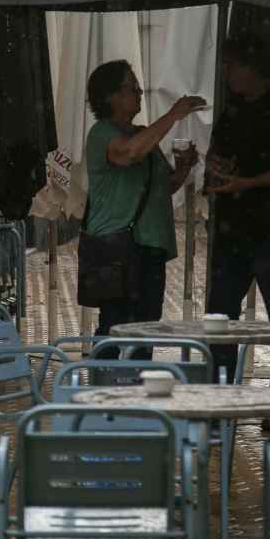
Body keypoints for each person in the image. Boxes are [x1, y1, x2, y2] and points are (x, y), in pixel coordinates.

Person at [204, 35, 270, 396]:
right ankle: (220, 389)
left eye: (231, 66)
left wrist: (248, 183)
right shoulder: (231, 109)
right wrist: (215, 168)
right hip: (231, 230)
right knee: (220, 316)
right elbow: (219, 153)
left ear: (252, 68)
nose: (226, 73)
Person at [82, 60, 205, 359]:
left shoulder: (143, 134)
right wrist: (173, 115)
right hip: (117, 248)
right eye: (131, 88)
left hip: (150, 247)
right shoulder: (102, 134)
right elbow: (129, 153)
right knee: (116, 327)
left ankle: (135, 391)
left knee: (146, 329)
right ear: (110, 96)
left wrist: (183, 167)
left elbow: (166, 186)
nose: (139, 93)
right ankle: (106, 393)